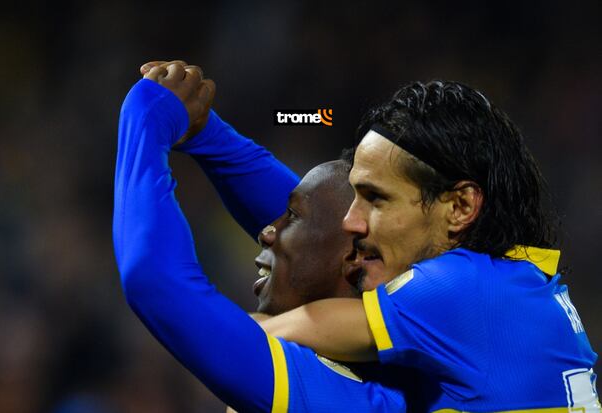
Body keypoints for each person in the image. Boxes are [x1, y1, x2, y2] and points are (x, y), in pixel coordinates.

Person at [257, 81, 600, 410]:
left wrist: (238, 339)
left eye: (376, 198)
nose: (349, 221)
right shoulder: (512, 281)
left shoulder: (460, 286)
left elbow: (268, 339)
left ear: (460, 207)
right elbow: (309, 227)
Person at [113, 61, 408, 412]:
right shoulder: (394, 370)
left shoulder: (349, 401)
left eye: (291, 217)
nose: (267, 231)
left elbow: (154, 280)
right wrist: (206, 134)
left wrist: (146, 114)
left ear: (355, 258)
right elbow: (325, 224)